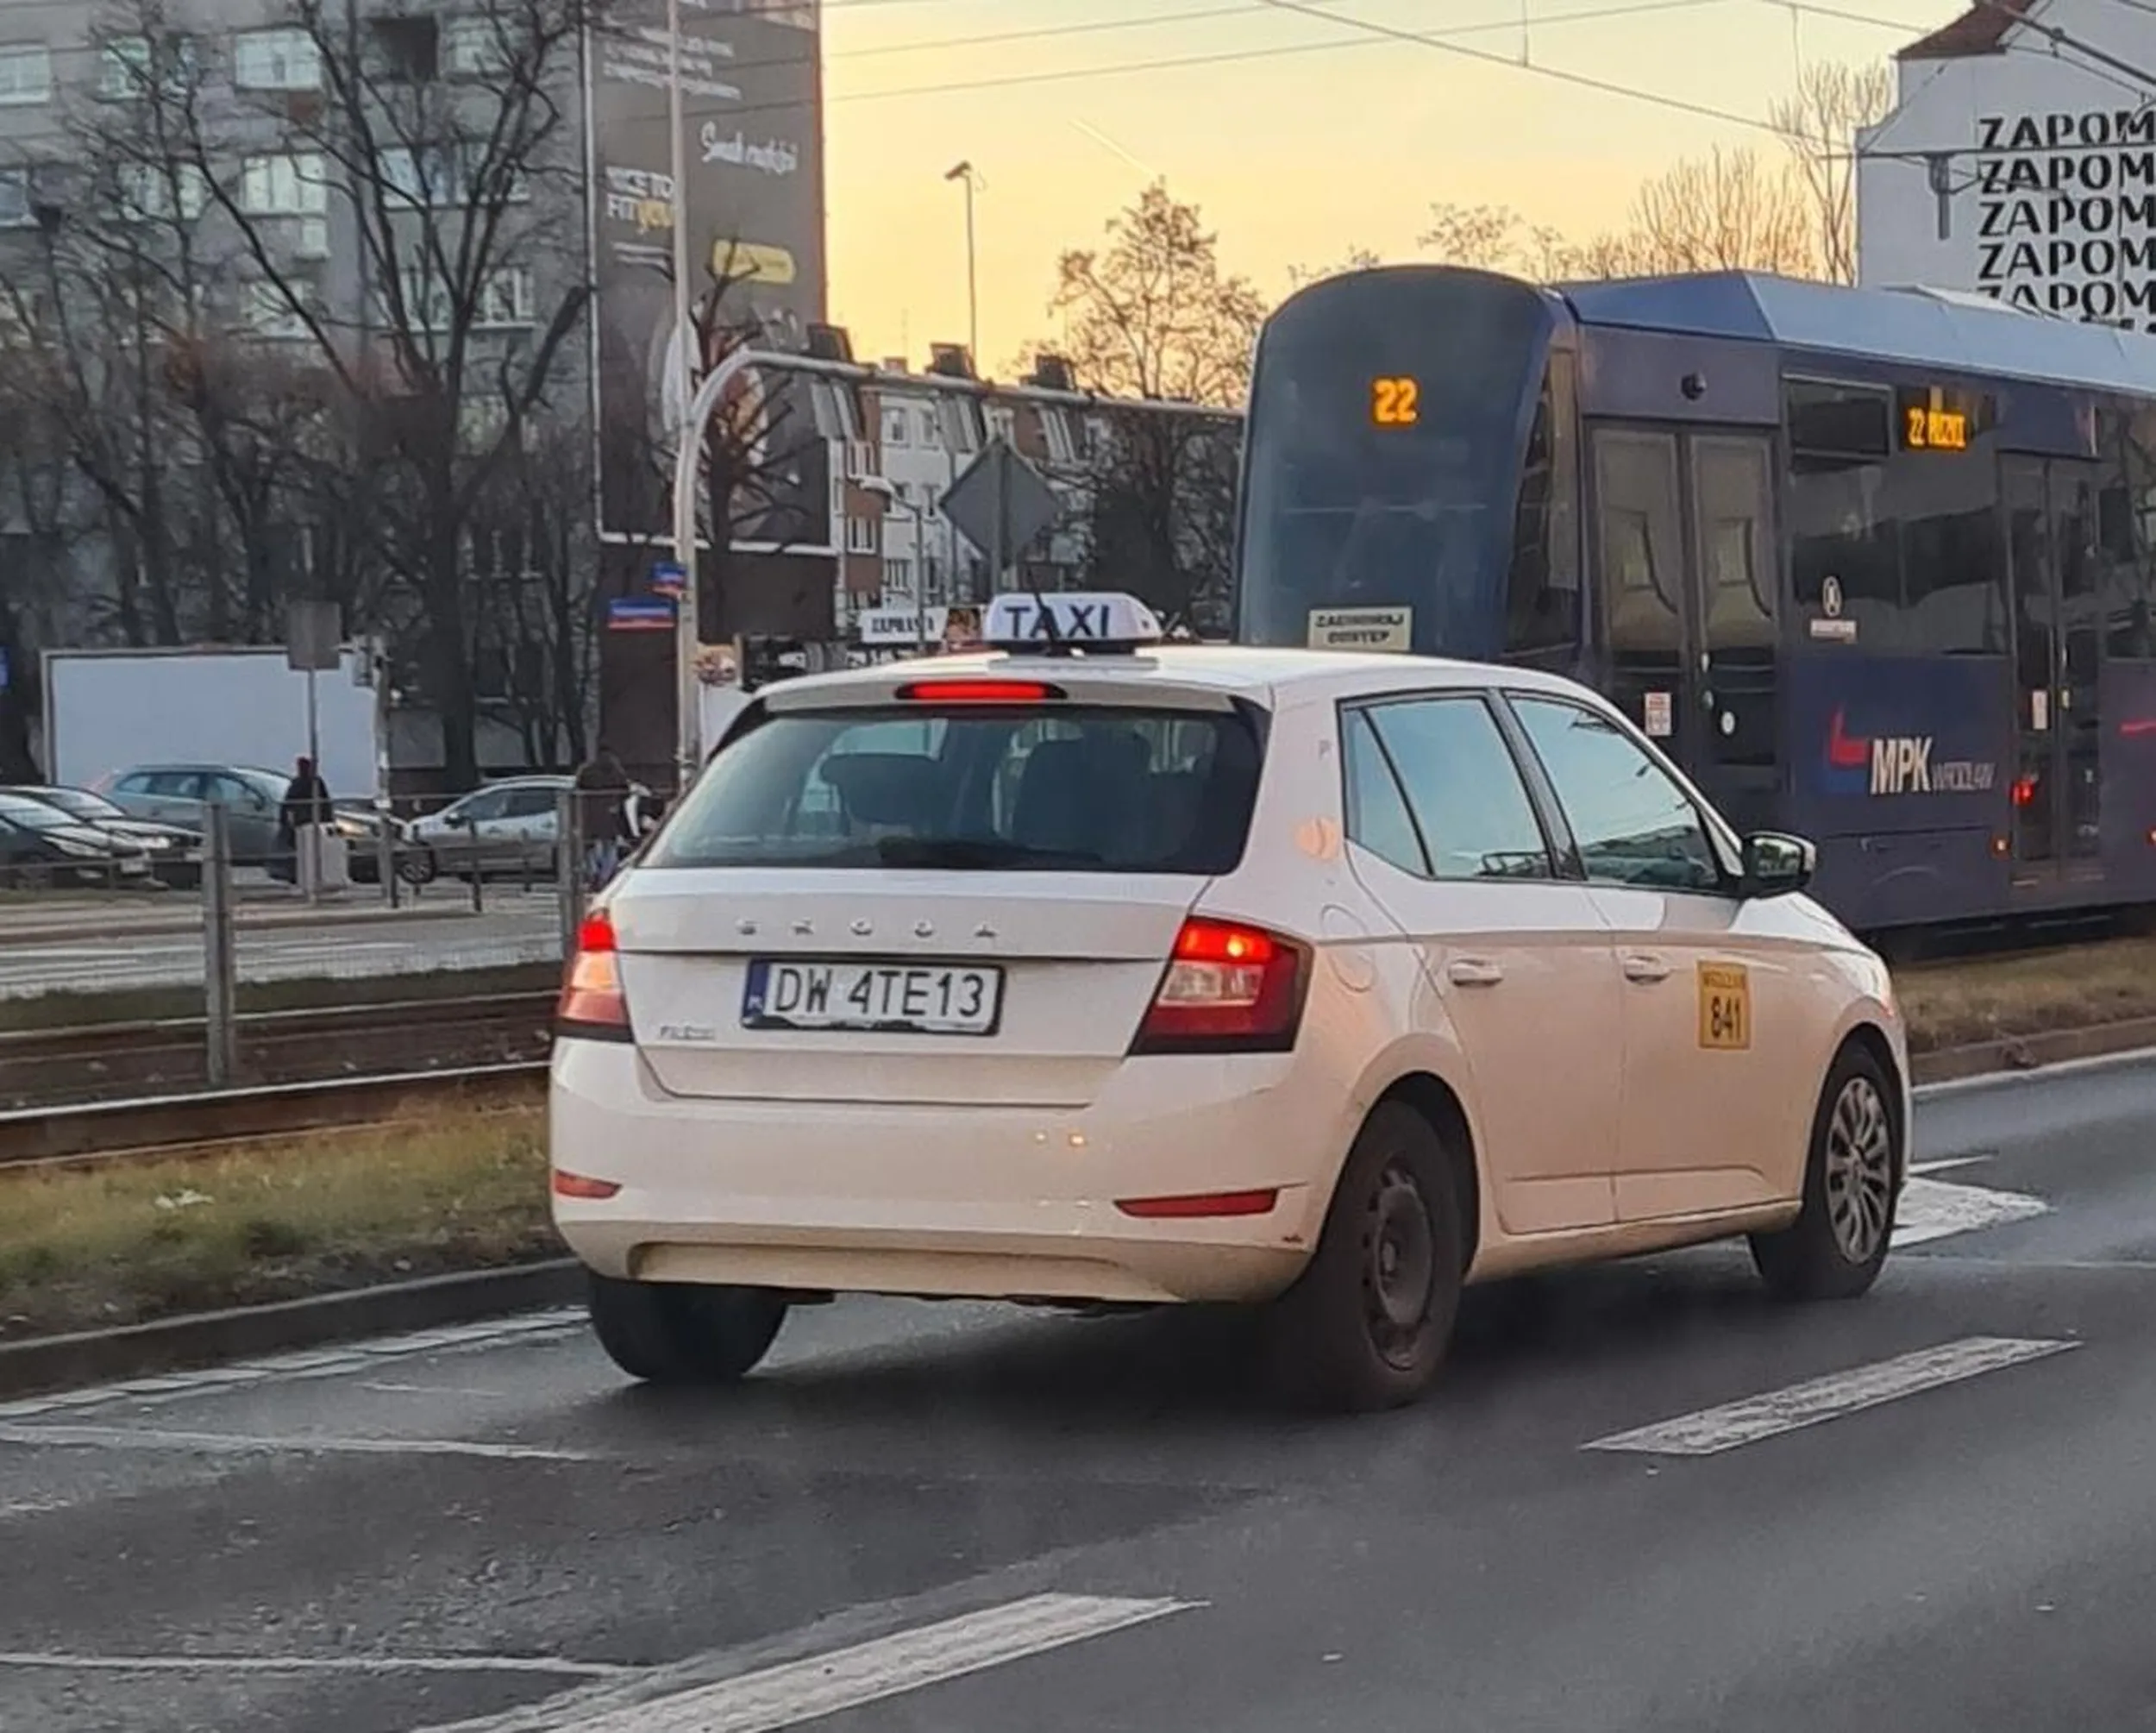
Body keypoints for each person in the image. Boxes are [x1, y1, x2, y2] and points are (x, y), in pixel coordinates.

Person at [573, 746, 633, 890]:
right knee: (609, 847)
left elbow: (578, 788)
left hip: (589, 813)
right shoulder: (617, 771)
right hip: (610, 813)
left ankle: (594, 873)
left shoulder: (587, 770)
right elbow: (626, 792)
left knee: (589, 847)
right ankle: (604, 877)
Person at [276, 756, 330, 884]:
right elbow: (287, 804)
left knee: (310, 849)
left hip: (311, 821)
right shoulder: (305, 782)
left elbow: (325, 802)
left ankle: (308, 875)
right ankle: (300, 874)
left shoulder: (313, 782)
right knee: (302, 850)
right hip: (302, 821)